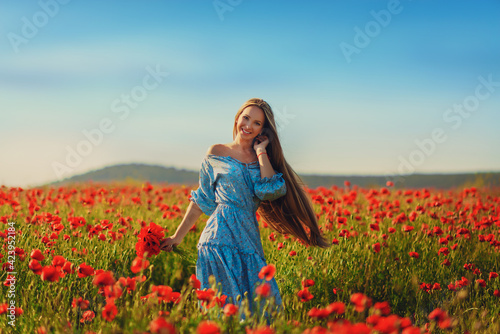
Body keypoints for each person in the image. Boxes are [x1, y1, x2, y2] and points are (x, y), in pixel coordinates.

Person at [160, 98, 330, 318]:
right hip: (217, 241)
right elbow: (201, 199)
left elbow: (269, 191)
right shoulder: (216, 151)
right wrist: (177, 236)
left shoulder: (263, 159)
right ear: (237, 118)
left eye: (257, 123)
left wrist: (261, 151)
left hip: (249, 243)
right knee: (223, 312)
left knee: (263, 309)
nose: (248, 126)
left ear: (263, 130)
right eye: (246, 118)